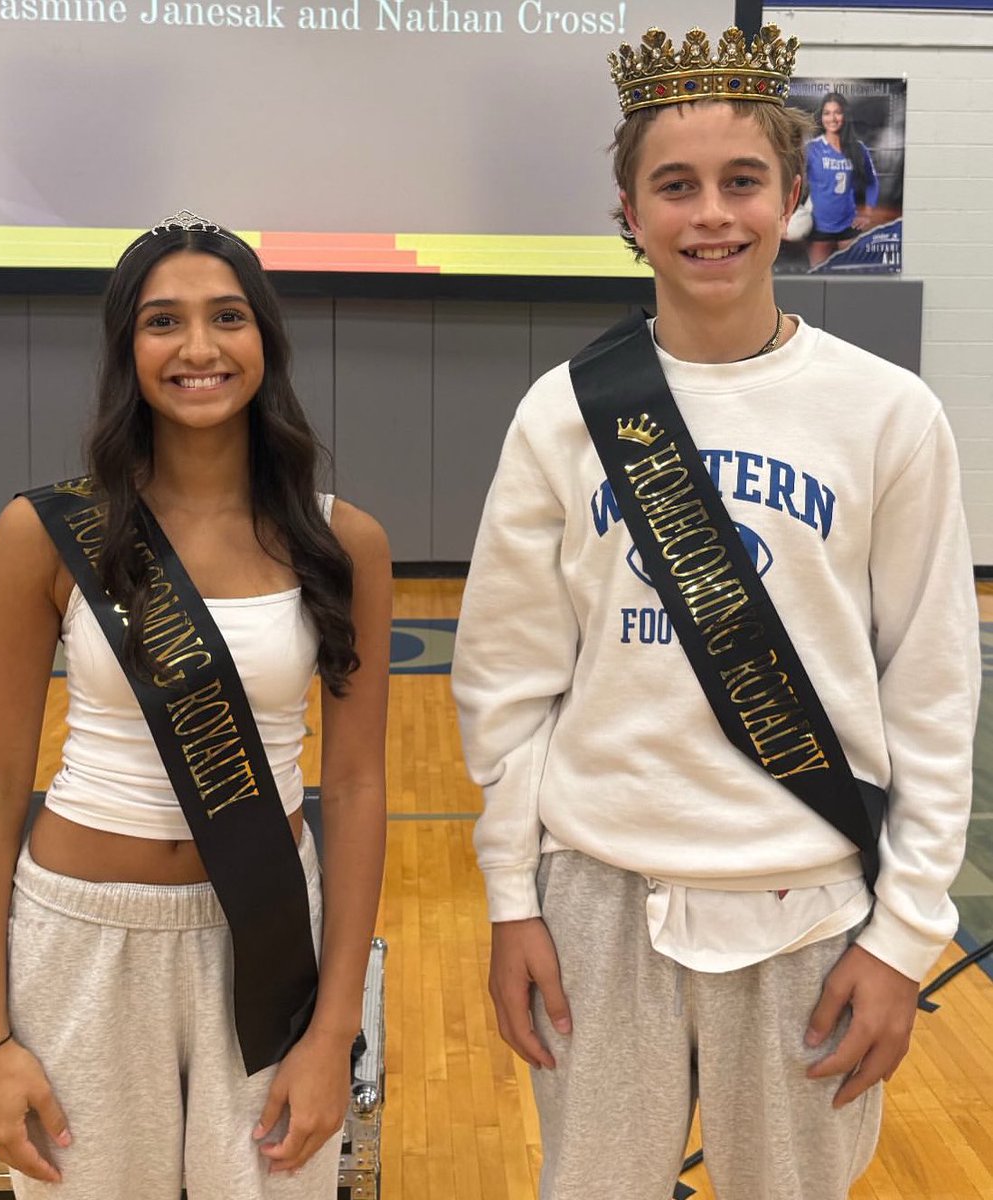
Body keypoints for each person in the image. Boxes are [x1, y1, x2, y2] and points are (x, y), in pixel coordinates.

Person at [452, 24, 979, 1200]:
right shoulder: (562, 414)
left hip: (810, 907)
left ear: (792, 199)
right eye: (675, 186)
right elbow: (505, 687)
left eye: (742, 182)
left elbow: (934, 696)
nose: (711, 216)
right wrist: (510, 900)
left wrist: (904, 938)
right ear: (629, 214)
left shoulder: (887, 415)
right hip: (595, 899)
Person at [0, 212, 391, 1199]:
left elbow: (359, 788)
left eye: (227, 316)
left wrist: (333, 1031)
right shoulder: (44, 532)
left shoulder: (343, 541)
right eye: (163, 322)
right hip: (82, 939)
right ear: (128, 350)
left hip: (267, 934)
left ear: (265, 341)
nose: (199, 347)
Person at [806, 90, 880, 268]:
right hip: (818, 227)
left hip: (848, 225)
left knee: (849, 277)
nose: (832, 118)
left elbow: (872, 182)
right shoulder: (812, 149)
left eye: (837, 112)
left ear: (845, 115)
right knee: (817, 276)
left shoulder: (858, 148)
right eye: (827, 113)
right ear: (821, 117)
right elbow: (792, 181)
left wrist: (867, 213)